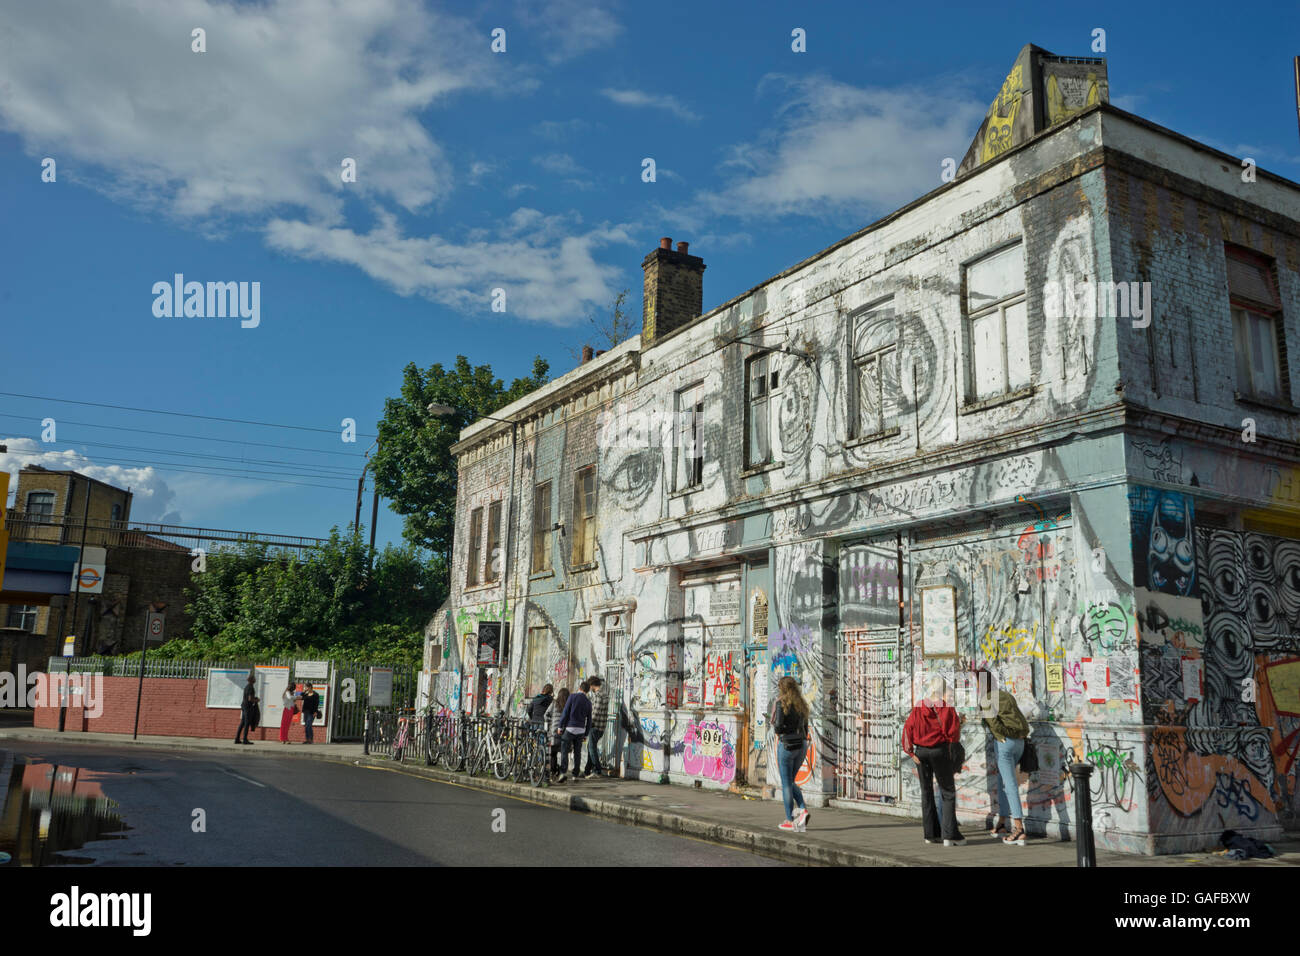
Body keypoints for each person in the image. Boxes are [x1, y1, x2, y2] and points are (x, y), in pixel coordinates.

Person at [902, 677, 964, 846]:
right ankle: (949, 836)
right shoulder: (946, 708)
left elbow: (908, 728)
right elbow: (953, 733)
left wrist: (910, 752)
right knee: (948, 792)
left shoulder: (919, 706)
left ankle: (930, 834)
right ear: (942, 690)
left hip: (921, 753)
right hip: (939, 751)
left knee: (926, 792)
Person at [978, 668, 1031, 845]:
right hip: (1019, 743)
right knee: (1002, 782)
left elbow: (994, 726)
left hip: (1005, 744)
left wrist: (1003, 736)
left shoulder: (986, 699)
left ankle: (1018, 828)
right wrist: (1019, 733)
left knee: (1009, 785)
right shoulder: (1006, 695)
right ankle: (1002, 823)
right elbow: (1019, 718)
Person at [771, 676, 811, 831]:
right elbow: (806, 728)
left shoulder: (782, 703)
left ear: (783, 688)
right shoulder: (802, 704)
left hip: (786, 746)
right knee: (791, 781)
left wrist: (774, 724)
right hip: (801, 745)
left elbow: (779, 727)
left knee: (786, 784)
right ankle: (802, 810)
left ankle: (790, 820)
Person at [555, 680, 592, 782]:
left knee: (564, 750)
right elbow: (589, 719)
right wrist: (586, 733)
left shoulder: (572, 697)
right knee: (577, 753)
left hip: (570, 728)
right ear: (587, 691)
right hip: (580, 730)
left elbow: (565, 712)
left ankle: (563, 772)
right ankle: (575, 774)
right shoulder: (588, 702)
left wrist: (560, 726)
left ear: (579, 688)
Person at [583, 676, 608, 778]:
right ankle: (587, 770)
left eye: (590, 686)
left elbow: (596, 711)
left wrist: (589, 722)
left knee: (592, 748)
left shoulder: (598, 695)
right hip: (601, 725)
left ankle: (598, 770)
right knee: (590, 747)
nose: (590, 689)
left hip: (595, 725)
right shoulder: (605, 694)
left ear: (593, 685)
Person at [546, 688, 569, 776]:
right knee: (564, 752)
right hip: (565, 731)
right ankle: (563, 771)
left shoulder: (554, 703)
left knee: (553, 753)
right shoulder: (568, 705)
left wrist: (549, 724)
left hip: (554, 732)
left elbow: (546, 715)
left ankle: (553, 770)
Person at [234, 673, 258, 744]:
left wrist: (254, 698)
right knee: (247, 723)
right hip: (248, 707)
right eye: (254, 678)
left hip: (244, 706)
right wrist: (256, 700)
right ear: (252, 680)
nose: (255, 679)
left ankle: (237, 739)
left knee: (242, 723)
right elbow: (250, 699)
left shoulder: (247, 686)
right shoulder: (250, 687)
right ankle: (245, 739)